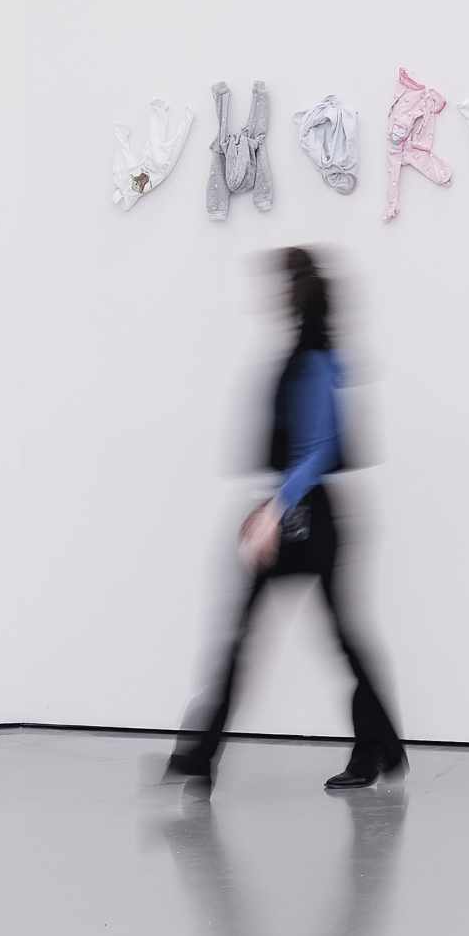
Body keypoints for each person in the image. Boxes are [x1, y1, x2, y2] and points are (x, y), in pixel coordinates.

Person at [164, 248, 408, 796]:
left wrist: (275, 511)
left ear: (295, 293)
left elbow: (318, 449)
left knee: (324, 639)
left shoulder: (314, 360)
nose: (271, 294)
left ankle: (203, 755)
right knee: (266, 636)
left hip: (309, 518)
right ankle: (201, 755)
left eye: (279, 285)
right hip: (300, 513)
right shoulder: (309, 354)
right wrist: (270, 507)